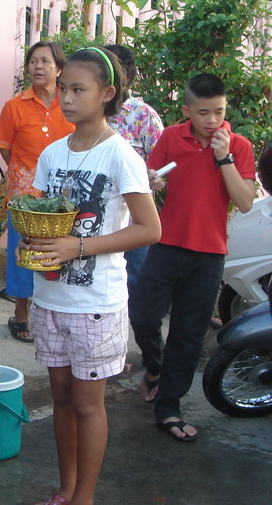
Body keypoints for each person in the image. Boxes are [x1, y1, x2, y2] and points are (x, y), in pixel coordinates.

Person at [23, 47, 161, 505]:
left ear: (107, 93)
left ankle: (85, 497)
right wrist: (32, 243)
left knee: (87, 404)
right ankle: (66, 488)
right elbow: (43, 216)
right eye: (64, 88)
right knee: (61, 398)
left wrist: (78, 246)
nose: (66, 97)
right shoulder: (52, 153)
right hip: (50, 296)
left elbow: (148, 229)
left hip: (96, 304)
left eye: (78, 89)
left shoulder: (120, 155)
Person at [130, 73, 255, 442]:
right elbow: (150, 178)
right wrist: (152, 180)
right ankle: (155, 369)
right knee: (142, 315)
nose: (212, 121)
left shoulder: (239, 146)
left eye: (219, 112)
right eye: (203, 113)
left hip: (209, 254)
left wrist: (224, 157)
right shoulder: (171, 137)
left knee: (188, 334)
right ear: (187, 111)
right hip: (166, 245)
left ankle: (169, 407)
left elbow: (245, 201)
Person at [0, 40, 74, 343]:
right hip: (25, 197)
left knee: (57, 256)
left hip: (62, 196)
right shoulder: (15, 106)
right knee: (23, 255)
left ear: (59, 69)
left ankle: (57, 314)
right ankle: (21, 315)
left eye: (45, 61)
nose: (38, 67)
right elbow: (7, 150)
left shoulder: (70, 104)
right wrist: (24, 179)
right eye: (33, 61)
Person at [103, 43, 164, 343]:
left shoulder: (143, 115)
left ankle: (126, 347)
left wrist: (155, 177)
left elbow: (162, 161)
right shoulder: (90, 112)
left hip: (134, 224)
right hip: (97, 224)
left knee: (135, 288)